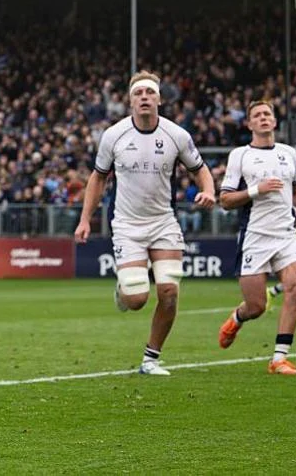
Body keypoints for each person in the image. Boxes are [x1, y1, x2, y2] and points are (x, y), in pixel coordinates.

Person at [74, 71, 216, 376]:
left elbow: (201, 169)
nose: (144, 98)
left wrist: (208, 190)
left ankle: (151, 359)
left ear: (159, 99)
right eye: (138, 93)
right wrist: (85, 219)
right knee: (137, 299)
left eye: (150, 93)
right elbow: (98, 177)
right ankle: (123, 290)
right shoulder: (113, 135)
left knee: (169, 292)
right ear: (130, 100)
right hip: (127, 224)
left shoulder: (177, 135)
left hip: (163, 222)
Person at [216, 99, 296, 375]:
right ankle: (237, 318)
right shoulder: (240, 155)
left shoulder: (289, 153)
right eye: (257, 115)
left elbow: (295, 190)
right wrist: (256, 190)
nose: (263, 118)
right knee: (257, 306)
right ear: (250, 124)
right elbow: (225, 199)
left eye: (267, 114)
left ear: (275, 121)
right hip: (255, 236)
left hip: (285, 235)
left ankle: (279, 358)